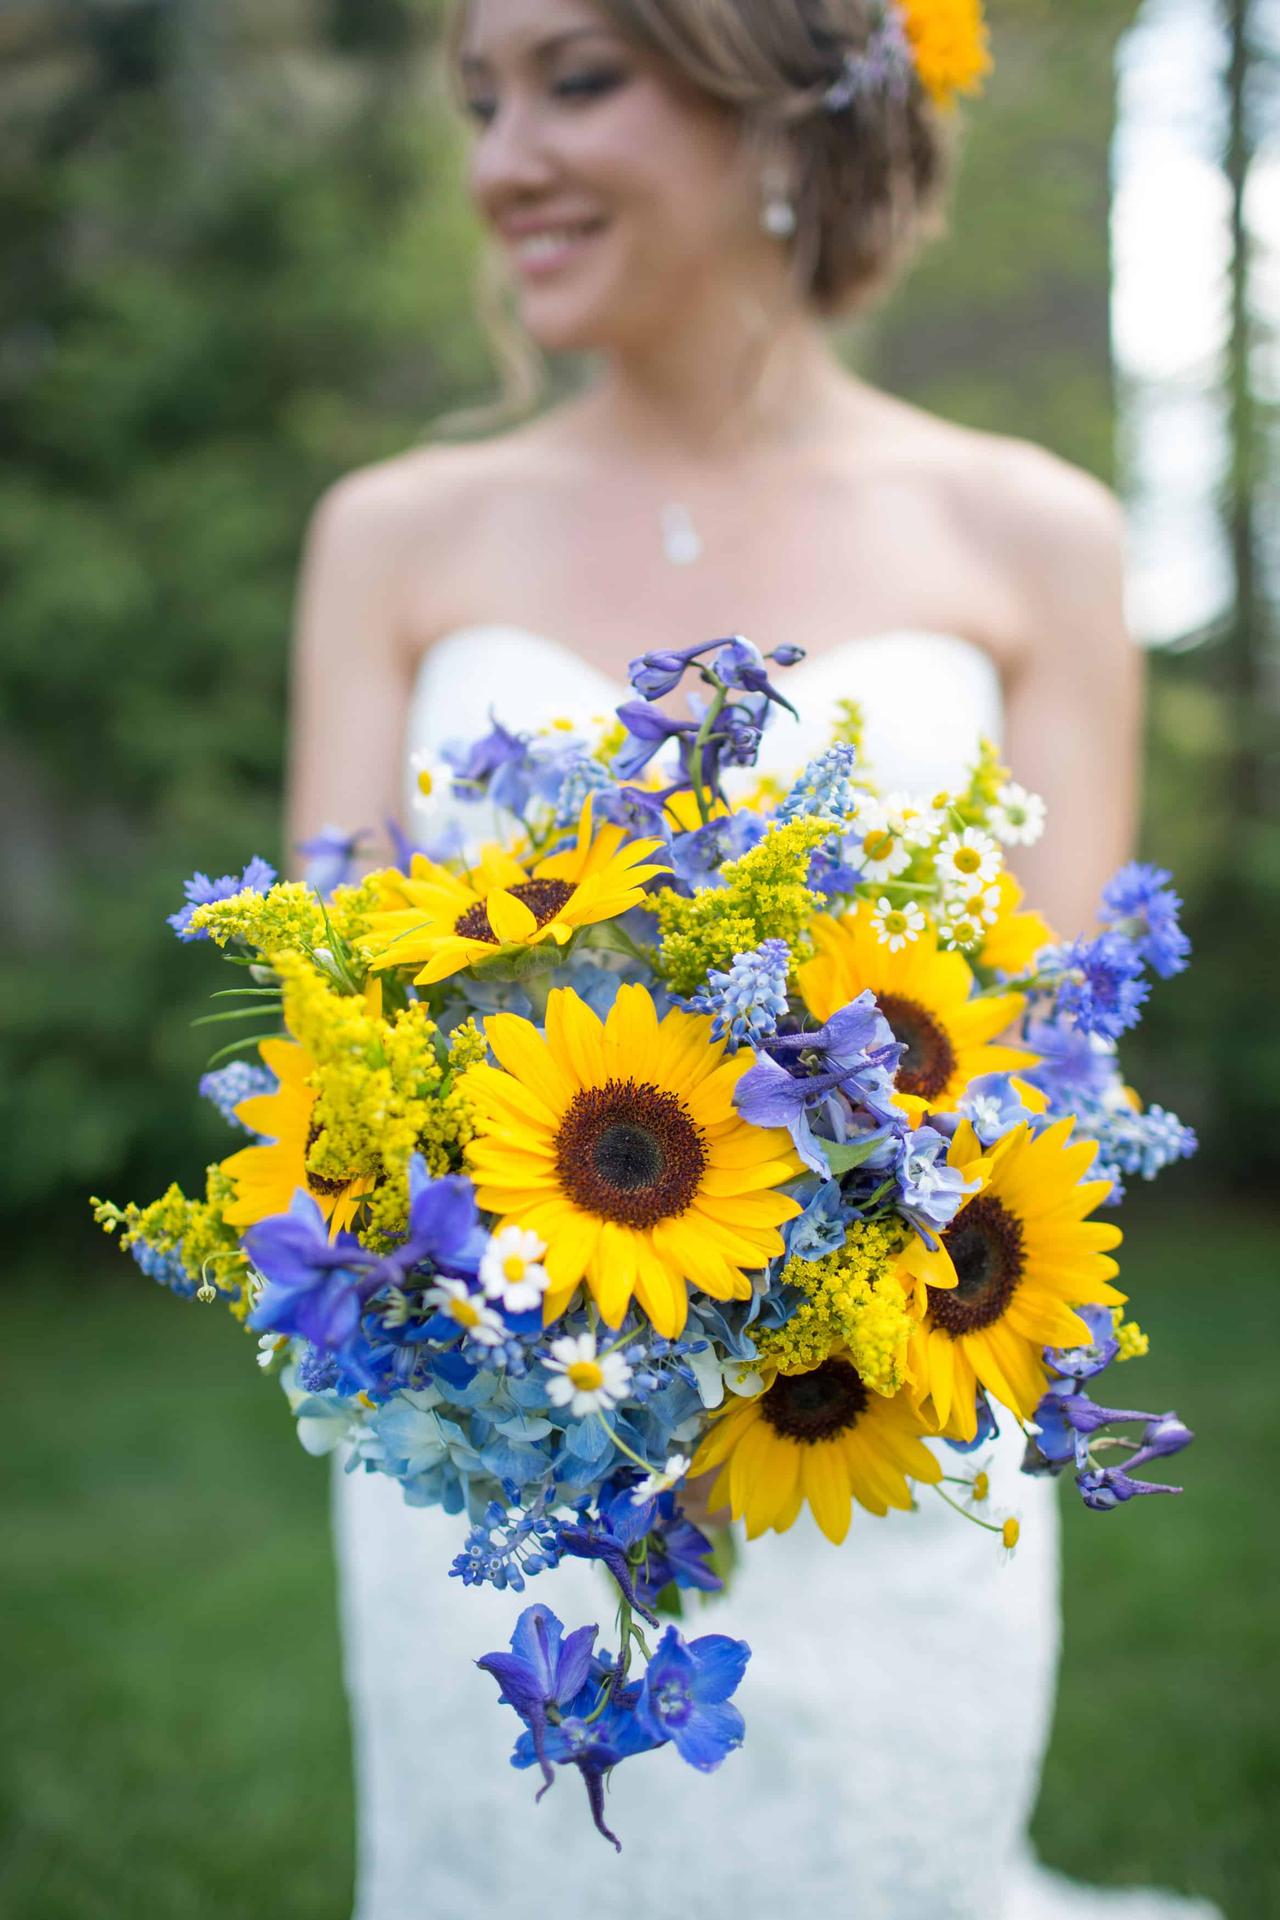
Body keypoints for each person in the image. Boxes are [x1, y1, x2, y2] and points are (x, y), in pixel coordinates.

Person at [288, 4, 1220, 1916]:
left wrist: (801, 1305)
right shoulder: (389, 536)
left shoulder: (1031, 534)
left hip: (875, 1443)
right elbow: (340, 1047)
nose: (500, 162)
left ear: (779, 108)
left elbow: (1038, 1076)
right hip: (502, 1454)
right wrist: (518, 1322)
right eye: (482, 100)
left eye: (576, 80)